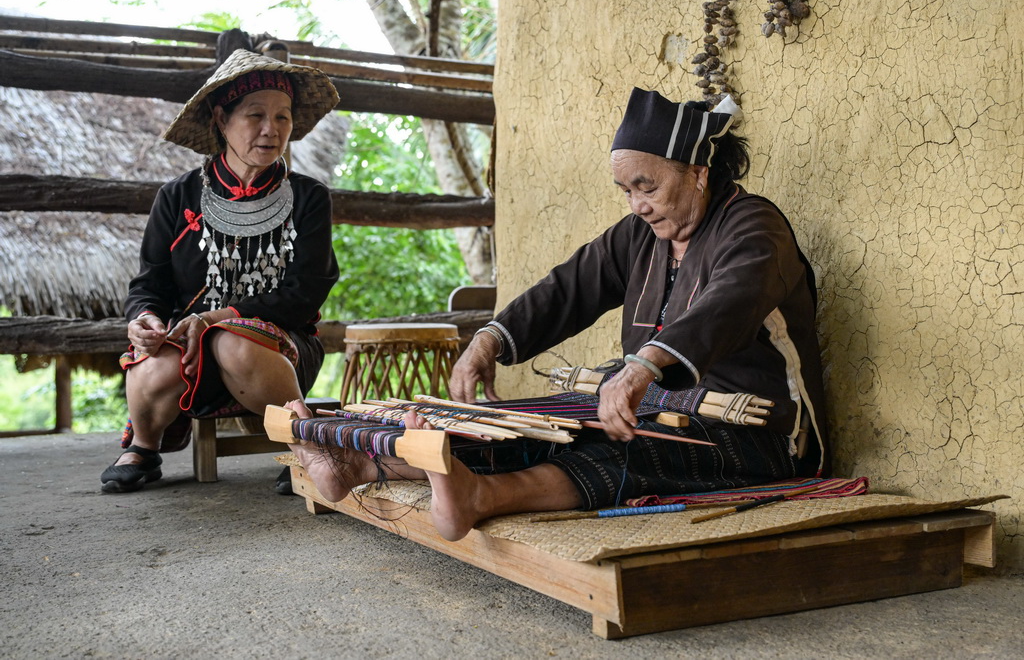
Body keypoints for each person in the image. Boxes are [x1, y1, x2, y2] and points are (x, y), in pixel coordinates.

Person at [287, 88, 829, 541]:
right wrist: (489, 343)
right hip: (652, 409)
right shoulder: (639, 236)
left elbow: (727, 305)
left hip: (758, 434)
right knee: (545, 428)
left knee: (629, 453)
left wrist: (641, 367)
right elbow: (569, 287)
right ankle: (359, 464)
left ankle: (479, 496)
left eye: (648, 186)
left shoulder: (756, 229)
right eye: (626, 190)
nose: (637, 204)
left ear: (698, 173)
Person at [101, 49, 341, 493]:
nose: (272, 129)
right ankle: (145, 446)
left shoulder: (309, 198)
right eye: (255, 115)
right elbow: (149, 282)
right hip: (189, 349)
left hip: (277, 354)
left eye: (283, 117)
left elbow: (305, 293)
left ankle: (305, 448)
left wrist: (214, 319)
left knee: (234, 343)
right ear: (221, 119)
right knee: (154, 363)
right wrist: (145, 319)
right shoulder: (178, 196)